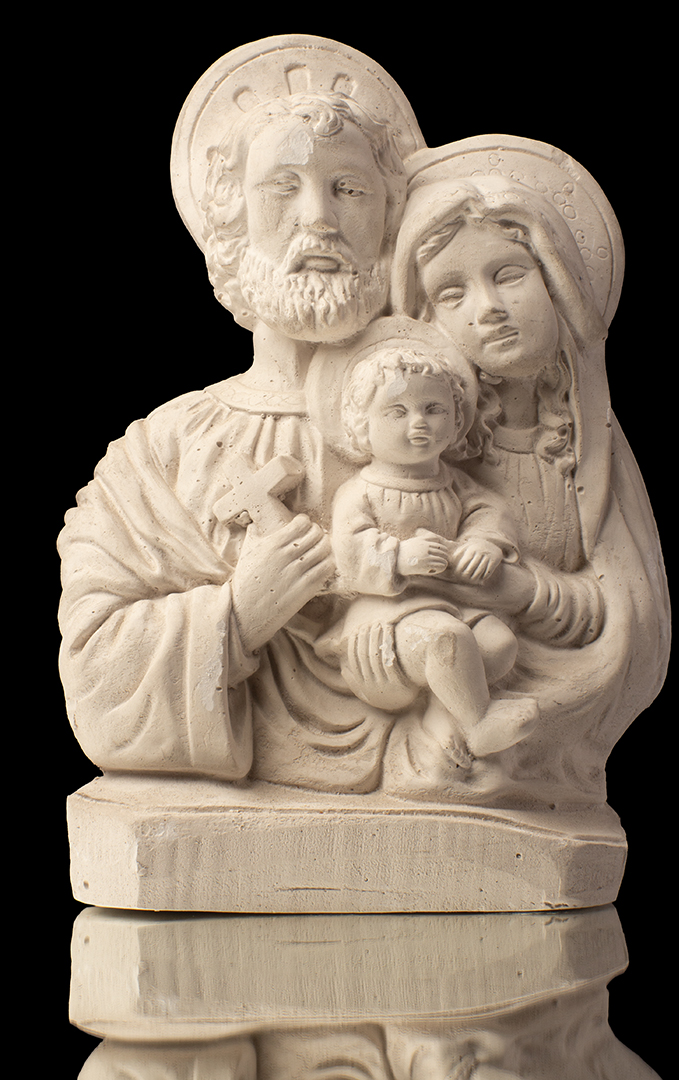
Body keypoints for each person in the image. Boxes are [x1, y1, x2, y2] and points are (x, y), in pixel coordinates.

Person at [58, 88, 413, 794]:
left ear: (389, 218)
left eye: (348, 188)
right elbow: (96, 675)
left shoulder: (447, 425)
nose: (319, 217)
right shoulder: (157, 455)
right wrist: (239, 613)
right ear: (232, 221)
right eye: (283, 186)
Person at [389, 168, 670, 805]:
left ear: (557, 284)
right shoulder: (421, 450)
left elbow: (631, 616)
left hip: (561, 709)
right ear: (424, 320)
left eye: (509, 275)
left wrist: (522, 591)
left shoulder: (589, 449)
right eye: (452, 293)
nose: (488, 307)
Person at [327, 341, 539, 768]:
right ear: (362, 425)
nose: (419, 423)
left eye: (433, 409)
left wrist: (484, 544)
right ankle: (479, 725)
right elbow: (349, 554)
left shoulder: (455, 483)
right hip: (388, 615)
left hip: (449, 605)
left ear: (457, 419)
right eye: (397, 412)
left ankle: (444, 712)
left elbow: (487, 512)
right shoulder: (359, 492)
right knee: (448, 641)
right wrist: (400, 556)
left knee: (498, 644)